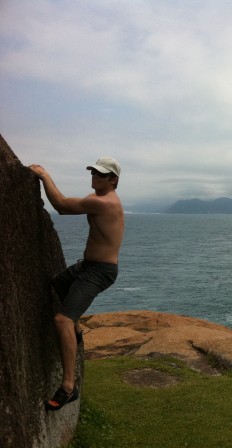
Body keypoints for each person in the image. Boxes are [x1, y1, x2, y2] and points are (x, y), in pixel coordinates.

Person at [29, 157, 124, 411]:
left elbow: (60, 205)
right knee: (58, 284)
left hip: (99, 271)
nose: (94, 177)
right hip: (88, 266)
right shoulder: (101, 199)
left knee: (62, 321)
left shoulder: (103, 202)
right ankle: (77, 327)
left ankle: (68, 387)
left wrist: (44, 175)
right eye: (93, 172)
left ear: (113, 180)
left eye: (101, 174)